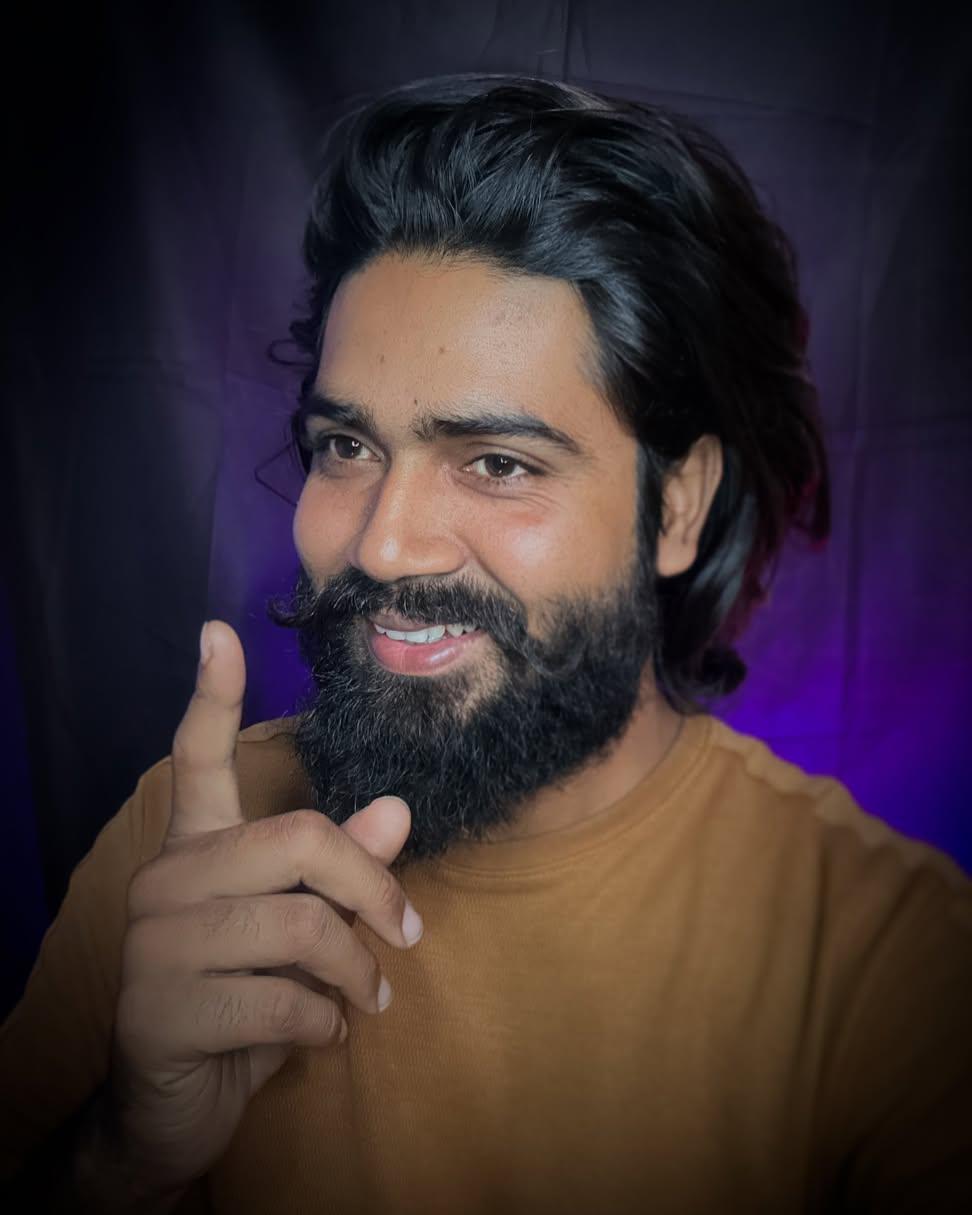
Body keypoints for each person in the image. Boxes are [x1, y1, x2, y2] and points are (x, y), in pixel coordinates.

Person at [2, 73, 970, 1213]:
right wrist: (122, 1148)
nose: (384, 545)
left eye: (498, 464)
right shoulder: (183, 852)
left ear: (676, 506)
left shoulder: (885, 955)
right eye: (346, 446)